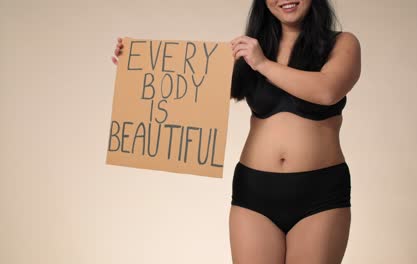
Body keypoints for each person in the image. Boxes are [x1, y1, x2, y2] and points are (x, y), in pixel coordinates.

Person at [111, 1, 361, 263]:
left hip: (319, 193)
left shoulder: (342, 43)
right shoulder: (252, 49)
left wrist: (262, 64)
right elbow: (194, 90)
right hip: (254, 193)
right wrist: (137, 67)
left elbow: (327, 90)